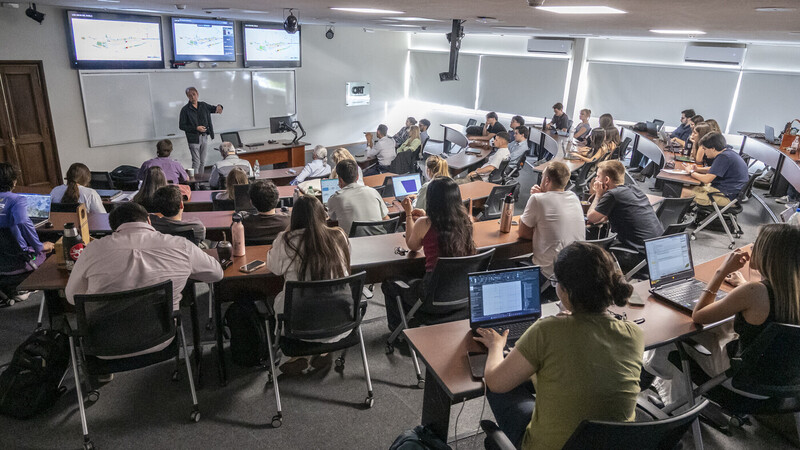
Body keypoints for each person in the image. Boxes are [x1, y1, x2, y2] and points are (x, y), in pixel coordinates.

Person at [474, 241, 643, 449]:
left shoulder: (548, 330)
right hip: (612, 444)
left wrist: (496, 346)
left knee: (501, 386)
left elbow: (495, 382)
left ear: (565, 291)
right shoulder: (634, 334)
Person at [646, 224, 800, 406]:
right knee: (719, 328)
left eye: (755, 244)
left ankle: (676, 407)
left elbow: (699, 315)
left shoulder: (754, 291)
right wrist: (743, 285)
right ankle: (677, 395)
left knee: (677, 338)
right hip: (782, 382)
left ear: (767, 254)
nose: (751, 248)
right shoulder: (789, 290)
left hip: (740, 379)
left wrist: (722, 271)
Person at [65, 202, 222, 359]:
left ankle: (101, 374)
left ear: (114, 227)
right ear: (149, 220)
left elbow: (72, 297)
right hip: (161, 338)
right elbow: (216, 274)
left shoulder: (92, 250)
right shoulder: (181, 246)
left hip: (104, 345)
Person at [267, 194, 351, 373]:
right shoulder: (339, 236)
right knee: (321, 296)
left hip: (299, 325)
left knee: (286, 302)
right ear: (323, 215)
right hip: (340, 321)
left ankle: (298, 355)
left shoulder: (286, 240)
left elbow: (273, 268)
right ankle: (322, 353)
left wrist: (289, 228)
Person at [385, 177, 476, 331]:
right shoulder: (468, 221)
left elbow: (412, 246)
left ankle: (398, 331)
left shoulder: (424, 223)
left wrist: (408, 214)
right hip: (461, 296)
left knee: (389, 284)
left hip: (430, 298)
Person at [587, 160, 664, 271]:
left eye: (598, 176)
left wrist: (598, 195)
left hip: (640, 258)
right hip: (656, 253)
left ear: (607, 180)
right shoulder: (634, 189)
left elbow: (591, 217)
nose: (596, 180)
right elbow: (606, 216)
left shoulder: (613, 195)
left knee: (594, 256)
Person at [519, 161, 585, 281]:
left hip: (548, 273)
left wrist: (540, 196)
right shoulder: (573, 197)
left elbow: (523, 233)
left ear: (547, 180)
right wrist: (543, 194)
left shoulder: (537, 199)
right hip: (573, 273)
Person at [0, 163, 54, 279]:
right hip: (18, 262)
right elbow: (23, 222)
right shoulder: (16, 200)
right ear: (14, 181)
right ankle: (35, 287)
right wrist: (40, 246)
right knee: (51, 251)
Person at [685, 132, 750, 207]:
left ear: (713, 148)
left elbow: (707, 179)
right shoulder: (728, 153)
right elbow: (715, 169)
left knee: (684, 191)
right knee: (690, 187)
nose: (704, 152)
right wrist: (698, 169)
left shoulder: (723, 157)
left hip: (726, 197)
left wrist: (691, 172)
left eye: (705, 149)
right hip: (730, 193)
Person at [327, 159, 389, 236]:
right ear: (357, 177)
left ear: (340, 179)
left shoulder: (335, 198)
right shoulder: (373, 192)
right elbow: (386, 218)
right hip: (380, 241)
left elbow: (332, 218)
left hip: (354, 244)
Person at [178, 86, 223, 174]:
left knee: (203, 161)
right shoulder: (185, 110)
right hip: (193, 139)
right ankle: (195, 184)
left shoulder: (204, 105)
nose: (193, 97)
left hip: (204, 136)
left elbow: (215, 109)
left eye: (194, 94)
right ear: (187, 97)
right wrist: (196, 128)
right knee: (196, 162)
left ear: (197, 94)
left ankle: (200, 181)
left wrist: (219, 107)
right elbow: (182, 126)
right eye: (190, 96)